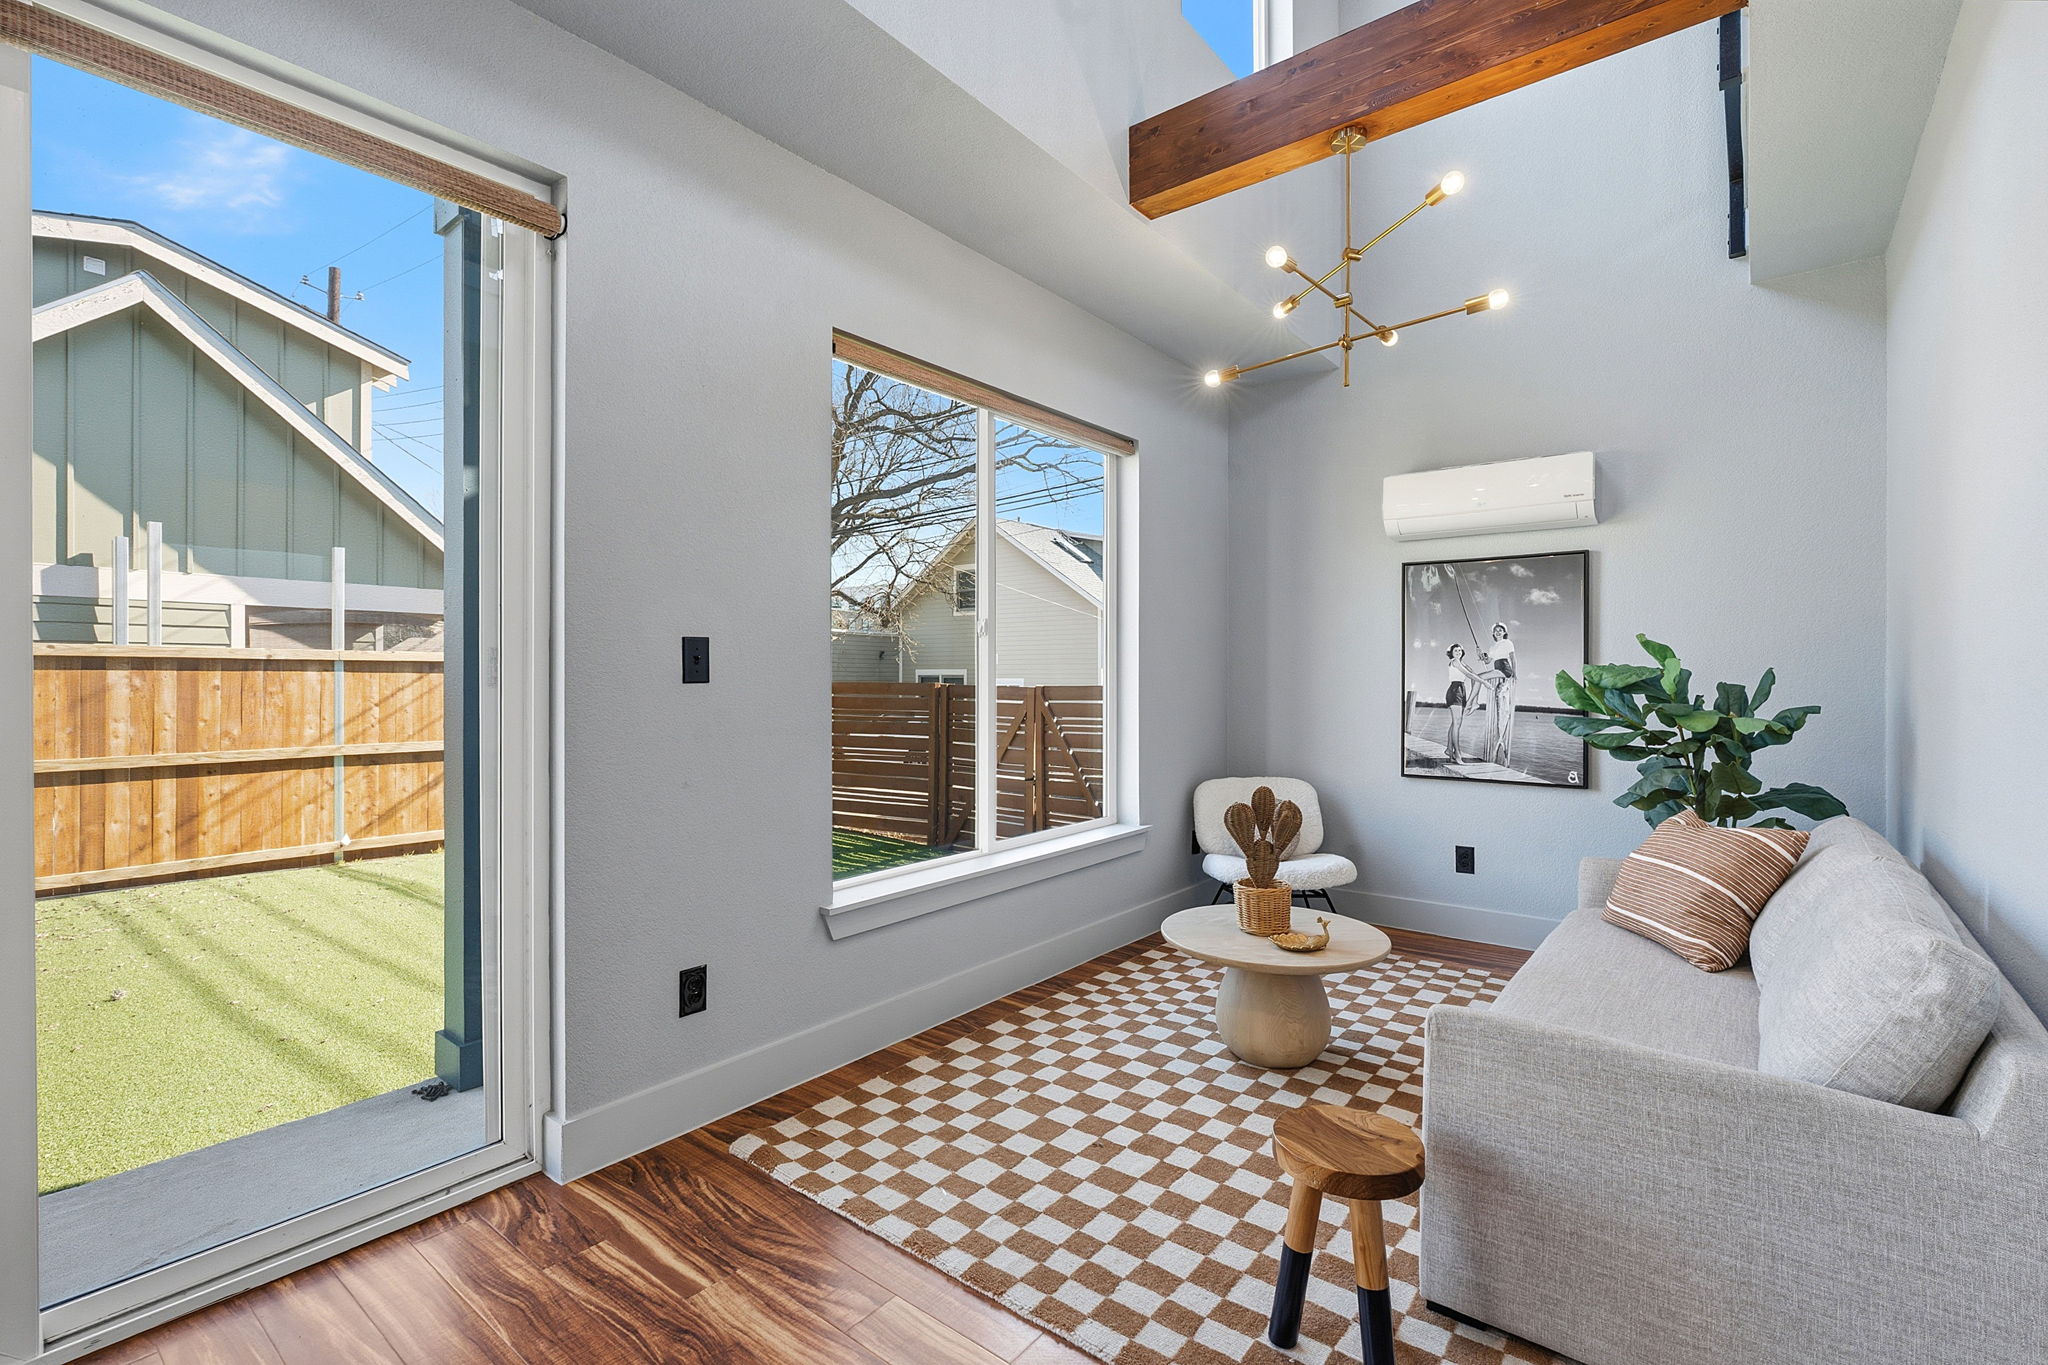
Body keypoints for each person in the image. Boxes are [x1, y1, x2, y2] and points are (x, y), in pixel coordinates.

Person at [1480, 623, 1518, 765]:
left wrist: (1514, 674)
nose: (1498, 632)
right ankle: (1473, 702)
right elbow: (1488, 661)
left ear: (1504, 632)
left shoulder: (1508, 642)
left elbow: (1513, 659)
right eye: (1496, 630)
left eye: (1500, 630)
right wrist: (1483, 656)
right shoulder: (1492, 647)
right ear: (1493, 633)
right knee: (1478, 677)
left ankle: (1472, 702)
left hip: (1504, 669)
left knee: (1479, 677)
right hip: (1497, 668)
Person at [1443, 644, 1483, 765]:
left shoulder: (1462, 662)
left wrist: (1481, 656)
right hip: (1454, 691)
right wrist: (1484, 683)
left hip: (1461, 690)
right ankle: (1457, 754)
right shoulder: (1454, 661)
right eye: (1455, 650)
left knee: (1456, 723)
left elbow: (1473, 673)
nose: (1458, 652)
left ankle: (1449, 749)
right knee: (1457, 724)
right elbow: (1470, 675)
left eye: (1460, 650)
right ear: (1451, 652)